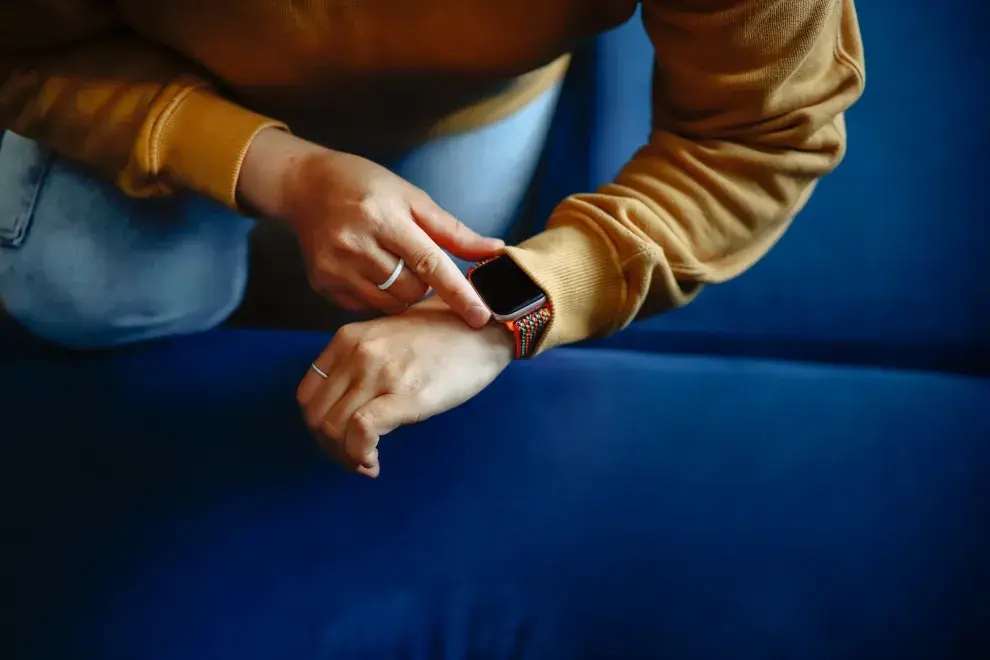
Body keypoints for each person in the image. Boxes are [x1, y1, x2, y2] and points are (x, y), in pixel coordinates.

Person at [0, 1, 865, 477]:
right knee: (79, 292)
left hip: (470, 96)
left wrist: (505, 311)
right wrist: (276, 168)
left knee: (384, 349)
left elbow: (761, 135)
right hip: (154, 70)